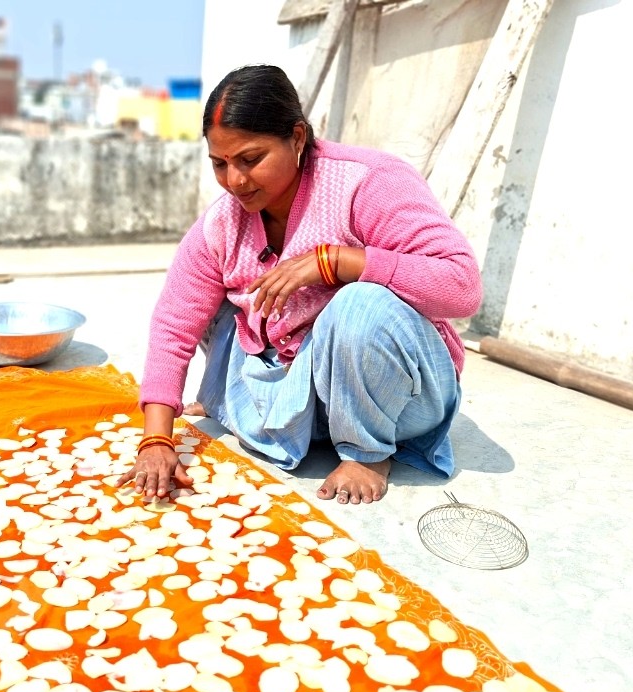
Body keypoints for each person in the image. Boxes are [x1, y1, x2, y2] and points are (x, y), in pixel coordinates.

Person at [121, 64, 482, 505]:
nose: (235, 181)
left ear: (296, 138)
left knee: (359, 305)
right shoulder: (224, 222)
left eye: (251, 160)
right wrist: (156, 440)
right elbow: (175, 324)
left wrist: (339, 262)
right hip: (308, 402)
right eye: (220, 163)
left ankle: (367, 452)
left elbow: (462, 287)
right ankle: (239, 405)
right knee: (219, 301)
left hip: (398, 399)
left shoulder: (367, 183)